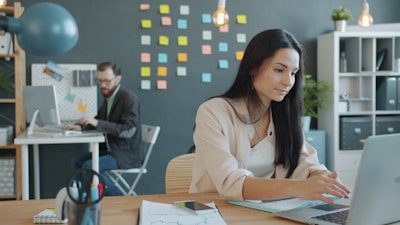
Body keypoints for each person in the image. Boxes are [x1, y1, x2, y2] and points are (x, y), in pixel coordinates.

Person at [189, 29, 350, 202]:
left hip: (264, 213)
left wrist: (325, 179)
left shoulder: (284, 117)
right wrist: (297, 187)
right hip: (215, 211)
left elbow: (308, 165)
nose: (288, 81)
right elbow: (230, 182)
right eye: (279, 70)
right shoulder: (213, 112)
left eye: (293, 73)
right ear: (253, 67)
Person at [65, 61, 143, 196]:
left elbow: (128, 130)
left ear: (118, 79)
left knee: (90, 166)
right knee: (77, 161)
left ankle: (117, 198)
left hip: (125, 155)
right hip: (111, 150)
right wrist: (80, 127)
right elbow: (99, 120)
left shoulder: (129, 98)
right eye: (99, 81)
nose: (102, 85)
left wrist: (96, 122)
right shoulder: (109, 98)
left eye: (106, 81)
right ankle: (84, 197)